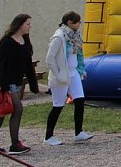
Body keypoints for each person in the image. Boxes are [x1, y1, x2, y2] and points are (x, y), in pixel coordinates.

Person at [0, 14, 39, 155]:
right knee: (17, 109)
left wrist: (33, 84)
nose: (29, 26)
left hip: (16, 82)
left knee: (2, 112)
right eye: (27, 24)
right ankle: (15, 144)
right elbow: (0, 66)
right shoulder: (6, 42)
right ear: (19, 24)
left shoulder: (25, 42)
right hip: (5, 82)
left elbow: (28, 65)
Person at [44, 11, 93, 145]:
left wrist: (81, 69)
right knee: (58, 105)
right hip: (61, 75)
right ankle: (48, 136)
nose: (80, 24)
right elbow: (50, 58)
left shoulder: (75, 36)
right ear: (70, 23)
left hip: (73, 73)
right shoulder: (59, 37)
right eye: (77, 22)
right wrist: (58, 74)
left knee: (79, 100)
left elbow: (78, 54)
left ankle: (79, 132)